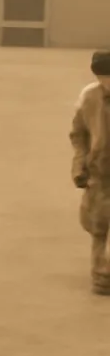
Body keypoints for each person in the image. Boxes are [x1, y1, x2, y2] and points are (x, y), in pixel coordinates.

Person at [69, 50, 110, 295]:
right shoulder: (90, 97)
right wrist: (79, 165)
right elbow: (78, 134)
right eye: (103, 79)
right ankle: (100, 273)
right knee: (97, 224)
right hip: (100, 173)